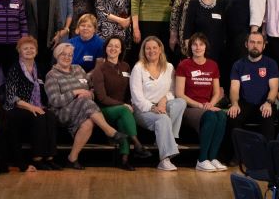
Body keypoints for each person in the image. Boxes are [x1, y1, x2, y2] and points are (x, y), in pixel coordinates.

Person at [45, 43, 128, 170]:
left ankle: (72, 158)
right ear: (57, 55)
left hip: (83, 108)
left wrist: (90, 93)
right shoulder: (52, 75)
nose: (67, 57)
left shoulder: (78, 69)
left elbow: (91, 87)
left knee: (89, 122)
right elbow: (55, 101)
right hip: (61, 112)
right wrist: (75, 92)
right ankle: (109, 131)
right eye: (63, 54)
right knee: (85, 102)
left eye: (70, 55)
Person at [92, 36, 152, 171]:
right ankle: (137, 145)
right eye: (110, 46)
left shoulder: (126, 66)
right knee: (124, 111)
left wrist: (128, 103)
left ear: (121, 50)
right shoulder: (99, 69)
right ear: (105, 49)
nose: (113, 48)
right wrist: (122, 105)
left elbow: (131, 89)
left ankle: (124, 160)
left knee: (123, 118)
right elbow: (101, 98)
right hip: (104, 110)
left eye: (116, 46)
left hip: (123, 109)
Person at [130, 36, 187, 171]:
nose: (151, 51)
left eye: (154, 48)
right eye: (148, 48)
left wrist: (163, 100)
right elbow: (136, 97)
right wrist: (153, 107)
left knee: (180, 102)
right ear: (144, 51)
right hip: (143, 109)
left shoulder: (169, 67)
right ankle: (164, 160)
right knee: (163, 118)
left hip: (162, 105)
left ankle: (168, 139)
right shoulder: (138, 68)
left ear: (160, 49)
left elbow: (172, 91)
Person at [4, 37, 61, 170]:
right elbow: (11, 97)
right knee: (38, 116)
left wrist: (39, 106)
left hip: (37, 105)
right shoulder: (15, 69)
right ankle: (37, 158)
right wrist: (31, 107)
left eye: (32, 48)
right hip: (17, 107)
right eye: (25, 48)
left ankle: (50, 158)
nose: (29, 50)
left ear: (36, 51)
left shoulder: (40, 67)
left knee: (50, 116)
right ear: (19, 51)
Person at [175, 33, 227, 172]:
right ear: (190, 47)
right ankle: (202, 160)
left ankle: (212, 158)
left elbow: (217, 92)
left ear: (206, 47)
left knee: (222, 115)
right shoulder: (184, 65)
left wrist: (211, 104)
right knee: (210, 116)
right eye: (194, 44)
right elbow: (179, 94)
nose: (198, 47)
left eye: (201, 44)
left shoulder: (213, 65)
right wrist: (200, 106)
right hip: (189, 108)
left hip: (207, 106)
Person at [223, 0, 266, 90]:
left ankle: (244, 95)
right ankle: (231, 94)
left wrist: (252, 37)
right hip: (230, 35)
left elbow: (257, 12)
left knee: (243, 67)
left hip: (244, 35)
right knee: (231, 65)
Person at [227, 32, 279, 141]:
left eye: (259, 43)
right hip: (245, 103)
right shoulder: (238, 64)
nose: (255, 45)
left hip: (265, 103)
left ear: (264, 46)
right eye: (252, 42)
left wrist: (268, 103)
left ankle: (266, 151)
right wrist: (235, 104)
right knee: (232, 117)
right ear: (246, 44)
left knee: (267, 119)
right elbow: (234, 89)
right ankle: (239, 151)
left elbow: (274, 88)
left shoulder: (271, 63)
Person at [19, 0, 65, 77]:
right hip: (31, 35)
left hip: (48, 35)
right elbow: (20, 13)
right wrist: (24, 34)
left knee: (45, 66)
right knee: (30, 66)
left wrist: (58, 33)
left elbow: (57, 12)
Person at [184, 0, 226, 65]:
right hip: (199, 47)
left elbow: (224, 26)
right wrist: (188, 46)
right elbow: (188, 26)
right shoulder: (194, 3)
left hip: (217, 47)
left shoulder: (221, 3)